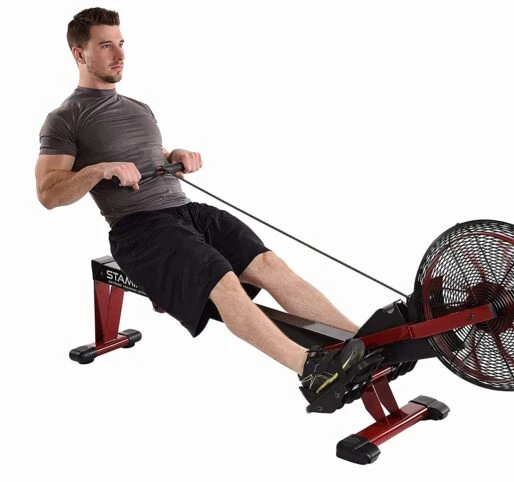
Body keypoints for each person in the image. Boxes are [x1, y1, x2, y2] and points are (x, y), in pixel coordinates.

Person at [35, 7, 366, 404]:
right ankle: (312, 372)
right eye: (106, 46)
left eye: (121, 44)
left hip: (187, 213)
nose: (119, 54)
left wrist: (174, 154)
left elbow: (152, 155)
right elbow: (48, 193)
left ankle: (370, 343)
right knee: (223, 282)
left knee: (269, 265)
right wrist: (99, 169)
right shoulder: (65, 118)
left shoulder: (140, 108)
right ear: (79, 53)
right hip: (139, 228)